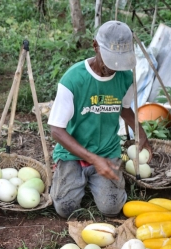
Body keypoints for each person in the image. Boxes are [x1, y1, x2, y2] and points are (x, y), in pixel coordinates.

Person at [47, 20, 152, 219]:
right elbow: (56, 130)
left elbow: (124, 108)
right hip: (73, 153)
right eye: (110, 61)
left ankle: (90, 179)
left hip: (106, 150)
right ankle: (72, 176)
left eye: (119, 62)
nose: (113, 69)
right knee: (65, 208)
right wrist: (93, 159)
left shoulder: (125, 78)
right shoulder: (73, 80)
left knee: (111, 207)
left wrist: (141, 132)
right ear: (95, 46)